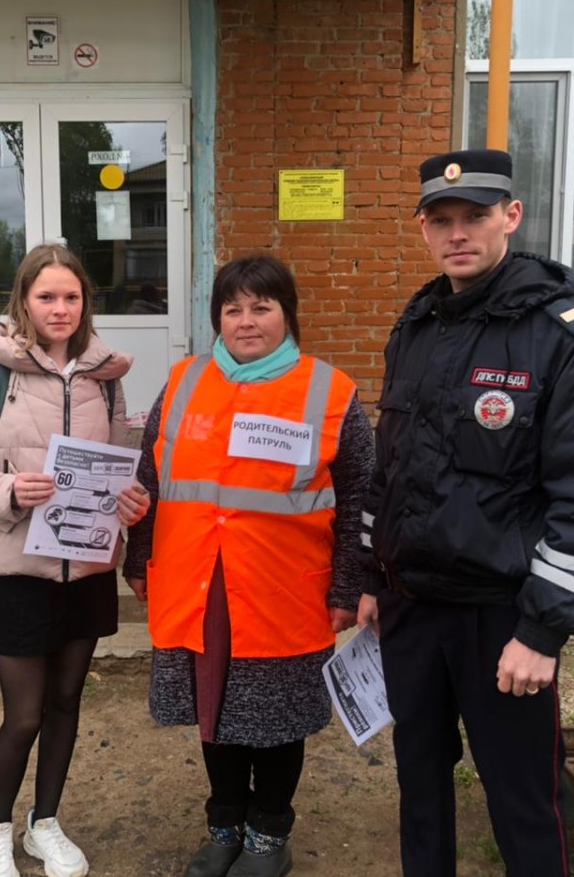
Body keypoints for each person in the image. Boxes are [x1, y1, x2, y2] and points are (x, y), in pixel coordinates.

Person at [358, 149, 574, 875]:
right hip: (412, 609)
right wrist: (371, 576)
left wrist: (542, 632)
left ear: (510, 217)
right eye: (440, 220)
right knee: (420, 787)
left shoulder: (566, 331)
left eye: (475, 216)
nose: (457, 234)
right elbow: (390, 467)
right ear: (422, 229)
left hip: (501, 617)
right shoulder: (417, 324)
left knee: (522, 801)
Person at [123, 254, 374, 877]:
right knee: (215, 712)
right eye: (232, 309)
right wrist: (139, 557)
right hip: (198, 584)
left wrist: (351, 585)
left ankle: (269, 835)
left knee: (276, 718)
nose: (246, 321)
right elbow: (151, 478)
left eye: (262, 307)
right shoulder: (183, 381)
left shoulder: (329, 391)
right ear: (217, 318)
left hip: (284, 589)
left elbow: (362, 499)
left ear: (287, 314)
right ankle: (225, 825)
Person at [0, 242, 151, 877]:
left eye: (71, 297)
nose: (60, 308)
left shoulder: (106, 378)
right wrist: (5, 490)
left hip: (87, 570)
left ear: (86, 303)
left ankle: (44, 823)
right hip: (20, 571)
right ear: (23, 300)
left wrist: (131, 502)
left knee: (66, 703)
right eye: (46, 296)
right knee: (24, 715)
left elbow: (119, 469)